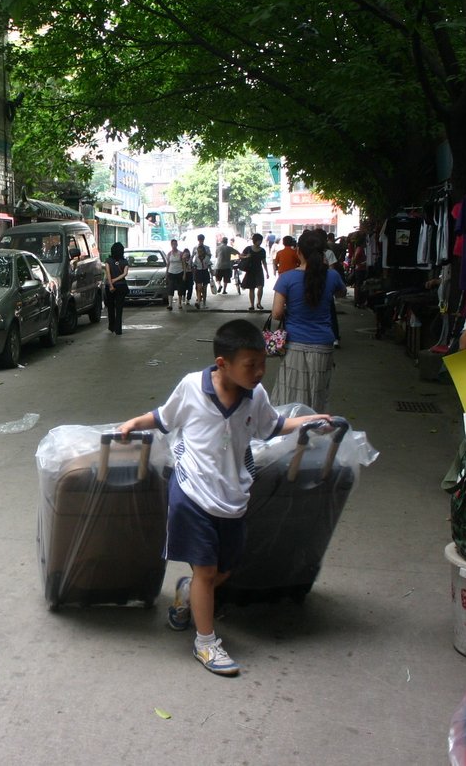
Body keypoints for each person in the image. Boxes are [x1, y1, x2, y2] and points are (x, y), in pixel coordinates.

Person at [117, 319, 332, 676]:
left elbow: (273, 426)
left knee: (225, 569)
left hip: (232, 494)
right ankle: (205, 643)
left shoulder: (256, 395)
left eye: (263, 363)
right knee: (206, 570)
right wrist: (132, 424)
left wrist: (310, 422)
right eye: (251, 365)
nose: (260, 372)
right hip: (192, 491)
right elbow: (163, 417)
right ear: (222, 364)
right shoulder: (191, 387)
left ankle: (187, 595)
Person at [270, 230, 348, 411]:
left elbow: (276, 313)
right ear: (323, 252)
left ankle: (291, 435)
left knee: (290, 396)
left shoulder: (286, 278)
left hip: (294, 344)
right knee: (317, 395)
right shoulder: (332, 276)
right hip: (323, 345)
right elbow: (342, 293)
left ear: (299, 251)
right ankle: (313, 431)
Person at [104, 242, 130, 335]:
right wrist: (116, 280)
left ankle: (111, 327)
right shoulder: (125, 261)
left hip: (110, 287)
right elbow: (125, 273)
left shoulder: (108, 261)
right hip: (121, 286)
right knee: (119, 308)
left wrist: (111, 285)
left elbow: (108, 273)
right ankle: (118, 329)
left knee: (110, 307)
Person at [239, 233, 270, 310]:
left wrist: (267, 272)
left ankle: (259, 303)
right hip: (250, 270)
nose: (260, 242)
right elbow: (240, 256)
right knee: (251, 288)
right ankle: (252, 305)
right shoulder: (248, 249)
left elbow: (264, 262)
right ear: (254, 240)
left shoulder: (262, 251)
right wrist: (246, 256)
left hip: (259, 270)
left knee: (260, 287)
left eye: (261, 241)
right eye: (259, 240)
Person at [164, 238, 185, 310]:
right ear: (171, 245)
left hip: (179, 272)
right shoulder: (169, 254)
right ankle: (170, 304)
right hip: (171, 272)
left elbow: (184, 264)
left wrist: (184, 274)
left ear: (177, 244)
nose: (174, 245)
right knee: (170, 288)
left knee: (180, 288)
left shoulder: (181, 253)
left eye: (175, 244)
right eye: (172, 244)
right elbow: (168, 264)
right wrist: (166, 273)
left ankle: (179, 303)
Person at [192, 234, 212, 307]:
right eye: (200, 239)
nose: (201, 240)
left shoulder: (207, 248)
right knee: (198, 287)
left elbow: (209, 257)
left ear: (203, 239)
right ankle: (199, 301)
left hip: (205, 271)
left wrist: (205, 254)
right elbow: (192, 257)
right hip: (198, 270)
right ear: (198, 239)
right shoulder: (195, 248)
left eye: (202, 239)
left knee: (204, 288)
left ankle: (204, 302)